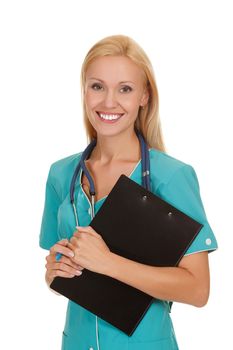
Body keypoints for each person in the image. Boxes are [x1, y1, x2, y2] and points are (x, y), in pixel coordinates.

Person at [39, 34, 218, 350]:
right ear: (84, 91)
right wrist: (55, 271)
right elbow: (57, 274)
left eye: (125, 89)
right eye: (97, 86)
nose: (109, 102)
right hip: (77, 342)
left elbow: (198, 290)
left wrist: (107, 263)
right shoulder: (61, 173)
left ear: (144, 96)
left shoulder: (171, 176)